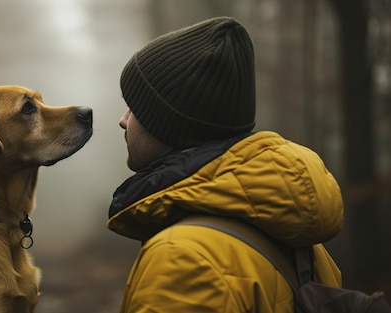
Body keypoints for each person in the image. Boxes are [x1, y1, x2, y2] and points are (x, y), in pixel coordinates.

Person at [107, 17, 343, 312]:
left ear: (170, 124)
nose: (123, 120)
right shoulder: (309, 249)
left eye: (136, 107)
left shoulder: (183, 259)